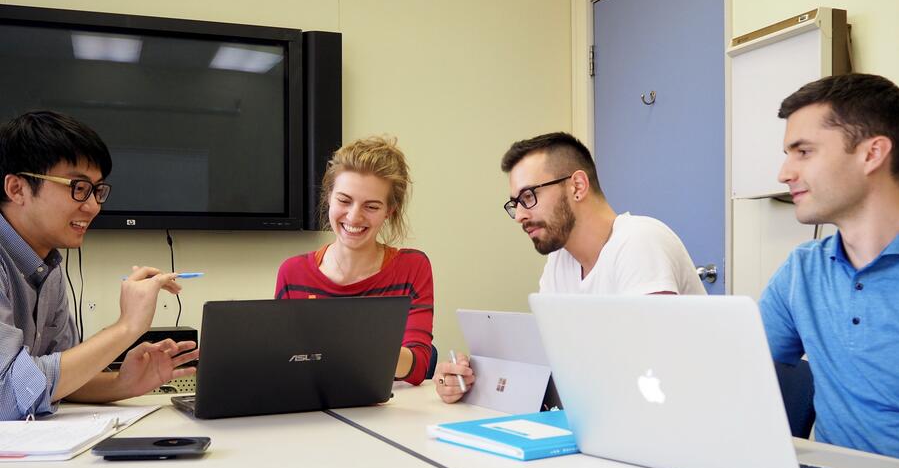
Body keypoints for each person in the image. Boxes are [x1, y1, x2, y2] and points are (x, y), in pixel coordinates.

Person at [435, 132, 705, 403]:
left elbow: (652, 376)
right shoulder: (559, 262)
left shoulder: (639, 242)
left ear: (577, 186)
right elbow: (548, 363)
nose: (519, 215)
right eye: (515, 203)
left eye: (528, 196)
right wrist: (470, 378)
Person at [0, 111, 198, 420]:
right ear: (17, 189)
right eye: (77, 187)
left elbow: (58, 376)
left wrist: (123, 383)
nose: (92, 206)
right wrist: (127, 327)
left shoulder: (47, 264)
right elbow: (6, 395)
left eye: (97, 190)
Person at [758, 73, 899, 458]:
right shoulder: (803, 270)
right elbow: (738, 367)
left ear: (872, 154)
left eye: (803, 152)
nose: (784, 173)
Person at [274, 136, 433, 385]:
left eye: (371, 206)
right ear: (328, 197)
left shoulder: (412, 267)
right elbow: (283, 365)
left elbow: (417, 367)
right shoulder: (292, 272)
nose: (354, 216)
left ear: (389, 211)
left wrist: (337, 340)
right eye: (344, 201)